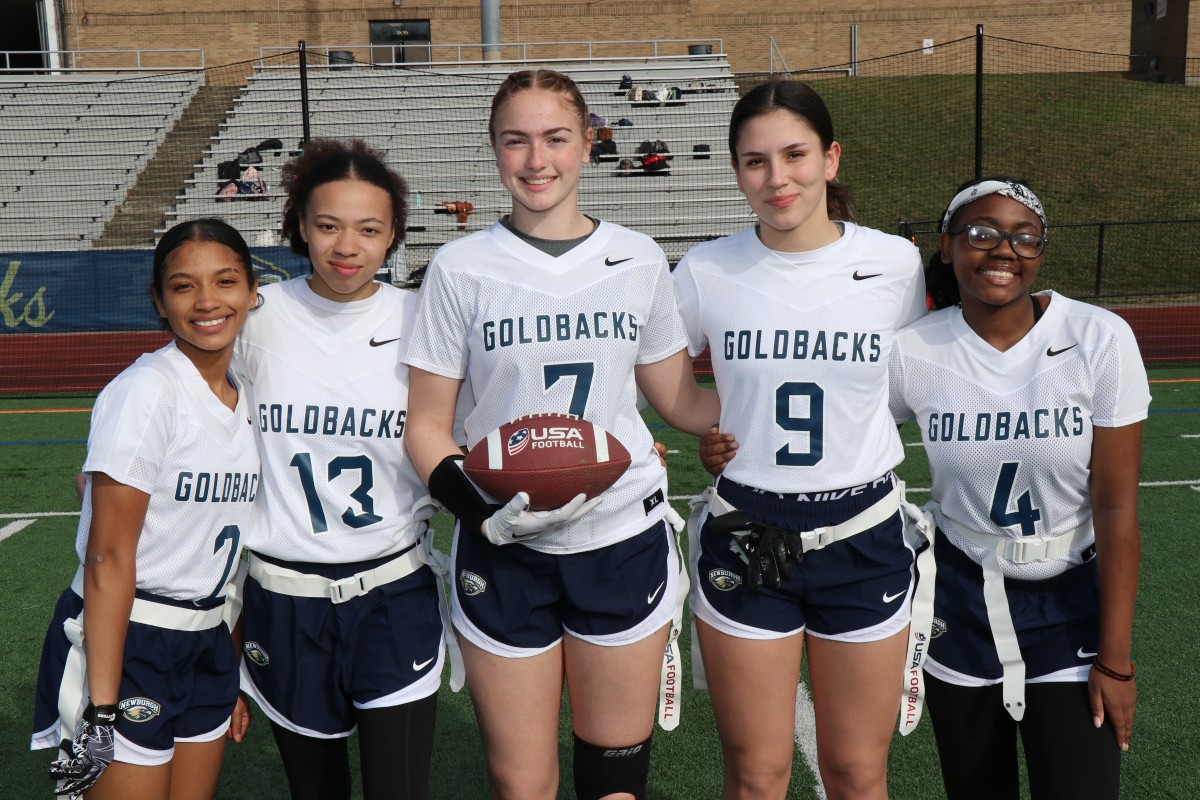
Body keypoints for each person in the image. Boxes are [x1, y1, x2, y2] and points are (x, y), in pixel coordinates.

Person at [402, 69, 721, 800]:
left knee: (614, 780)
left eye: (554, 139)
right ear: (494, 150)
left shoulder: (638, 257)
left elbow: (678, 399)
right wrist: (479, 510)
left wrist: (755, 401)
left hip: (620, 536)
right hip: (505, 543)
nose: (536, 160)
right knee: (523, 785)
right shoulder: (459, 268)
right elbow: (424, 424)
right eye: (516, 141)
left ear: (587, 145)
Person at [678, 79, 927, 799]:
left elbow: (899, 394)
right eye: (755, 161)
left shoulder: (893, 264)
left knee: (856, 773)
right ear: (736, 171)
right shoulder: (705, 270)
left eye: (794, 154)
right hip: (747, 527)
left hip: (862, 532)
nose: (776, 177)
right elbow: (652, 380)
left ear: (831, 158)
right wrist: (711, 425)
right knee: (756, 777)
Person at [887, 177, 1147, 799]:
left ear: (1040, 253)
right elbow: (847, 440)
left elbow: (1115, 507)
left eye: (1024, 237)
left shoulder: (1098, 337)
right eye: (982, 233)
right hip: (959, 601)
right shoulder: (912, 350)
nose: (1004, 249)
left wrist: (1115, 660)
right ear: (948, 248)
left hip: (1069, 599)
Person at [234, 138, 443, 800]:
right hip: (284, 600)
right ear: (299, 225)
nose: (345, 246)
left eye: (368, 229)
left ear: (393, 237)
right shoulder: (255, 318)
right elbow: (189, 413)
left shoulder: (424, 321)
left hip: (393, 593)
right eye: (327, 225)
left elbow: (488, 422)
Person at [31, 218, 260, 800]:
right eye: (184, 286)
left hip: (206, 640)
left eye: (226, 281)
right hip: (131, 639)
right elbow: (106, 558)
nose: (207, 301)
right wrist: (102, 709)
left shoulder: (249, 397)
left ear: (253, 292)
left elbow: (227, 555)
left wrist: (229, 670)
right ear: (159, 301)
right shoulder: (145, 391)